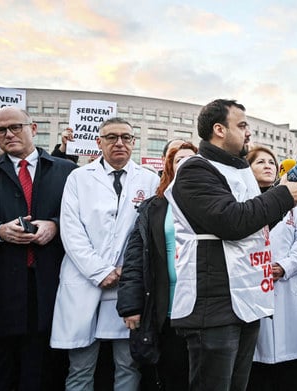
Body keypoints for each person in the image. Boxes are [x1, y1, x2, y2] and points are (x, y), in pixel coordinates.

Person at [164, 99, 297, 391]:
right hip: (214, 304)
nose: (249, 133)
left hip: (245, 300)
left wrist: (287, 200)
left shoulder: (239, 171)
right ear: (219, 129)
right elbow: (230, 222)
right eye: (242, 125)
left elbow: (255, 224)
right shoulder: (196, 169)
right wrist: (282, 195)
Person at [50, 117, 159, 390]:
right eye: (111, 137)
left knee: (127, 366)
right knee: (80, 368)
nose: (119, 143)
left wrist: (124, 272)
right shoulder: (78, 178)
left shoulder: (148, 179)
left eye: (126, 137)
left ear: (134, 143)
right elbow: (71, 229)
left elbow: (148, 234)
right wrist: (100, 271)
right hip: (85, 280)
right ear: (99, 142)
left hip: (127, 285)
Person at [0, 107, 77, 390]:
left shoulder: (67, 171)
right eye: (1, 130)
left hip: (51, 283)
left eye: (15, 127)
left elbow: (83, 219)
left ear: (33, 128)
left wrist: (55, 225)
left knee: (44, 366)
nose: (8, 134)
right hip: (5, 287)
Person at [117, 142, 197, 390]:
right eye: (179, 159)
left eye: (192, 160)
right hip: (167, 307)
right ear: (169, 167)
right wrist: (131, 305)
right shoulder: (155, 206)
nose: (186, 164)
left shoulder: (214, 203)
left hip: (202, 308)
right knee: (170, 373)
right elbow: (135, 257)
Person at [245, 146, 297, 391]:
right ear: (247, 168)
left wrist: (285, 266)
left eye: (271, 162)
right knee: (257, 362)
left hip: (286, 286)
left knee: (289, 365)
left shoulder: (292, 202)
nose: (268, 165)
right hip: (254, 286)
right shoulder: (243, 201)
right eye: (260, 161)